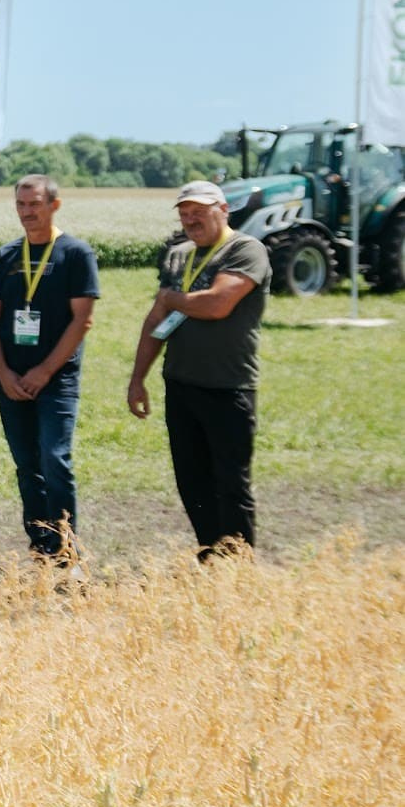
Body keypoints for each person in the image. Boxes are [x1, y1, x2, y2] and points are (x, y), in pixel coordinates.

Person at [128, 181, 271, 559]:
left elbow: (217, 304)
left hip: (229, 385)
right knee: (192, 480)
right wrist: (137, 377)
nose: (191, 219)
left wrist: (174, 298)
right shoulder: (178, 255)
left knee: (230, 481)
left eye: (199, 211)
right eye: (184, 213)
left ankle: (238, 562)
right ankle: (211, 553)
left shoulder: (245, 249)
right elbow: (157, 320)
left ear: (223, 209)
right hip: (180, 382)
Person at [0, 175, 100, 563]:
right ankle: (41, 547)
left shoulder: (75, 254)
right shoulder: (6, 256)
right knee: (27, 466)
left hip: (56, 381)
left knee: (55, 459)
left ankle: (69, 549)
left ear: (54, 205)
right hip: (10, 380)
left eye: (34, 204)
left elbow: (81, 320)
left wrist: (44, 373)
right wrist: (3, 371)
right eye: (20, 204)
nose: (27, 212)